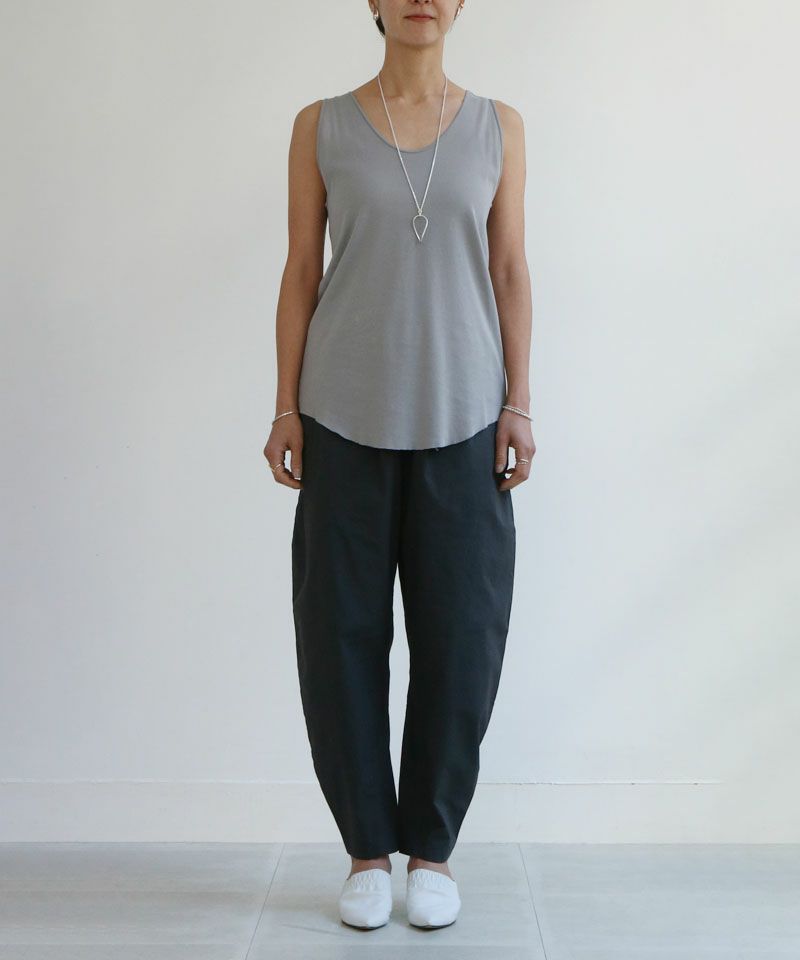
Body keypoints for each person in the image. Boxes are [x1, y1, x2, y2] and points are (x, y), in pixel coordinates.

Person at [263, 0, 535, 931]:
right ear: (372, 5)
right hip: (342, 414)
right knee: (337, 638)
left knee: (462, 639)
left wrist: (520, 403)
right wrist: (285, 406)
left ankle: (432, 852)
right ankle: (367, 853)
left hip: (466, 419)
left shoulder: (499, 127)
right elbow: (302, 271)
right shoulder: (320, 126)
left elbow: (509, 270)